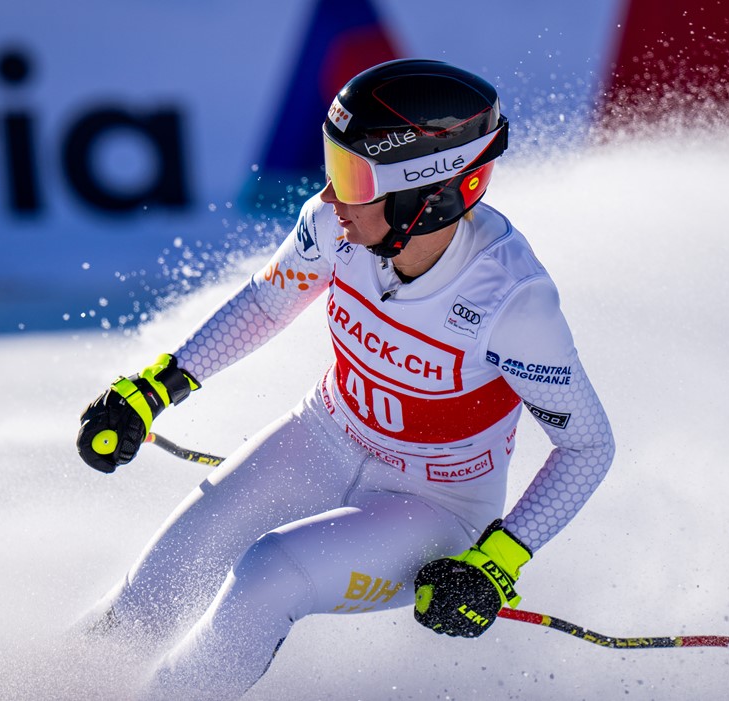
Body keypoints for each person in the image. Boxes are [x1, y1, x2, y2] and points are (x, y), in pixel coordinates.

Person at [77, 58, 615, 699]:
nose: (331, 198)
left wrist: (498, 561)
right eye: (333, 166)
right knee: (152, 590)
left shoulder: (512, 302)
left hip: (433, 506)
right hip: (324, 434)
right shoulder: (338, 226)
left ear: (432, 193)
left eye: (353, 177)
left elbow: (586, 445)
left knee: (267, 575)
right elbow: (265, 304)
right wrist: (157, 388)